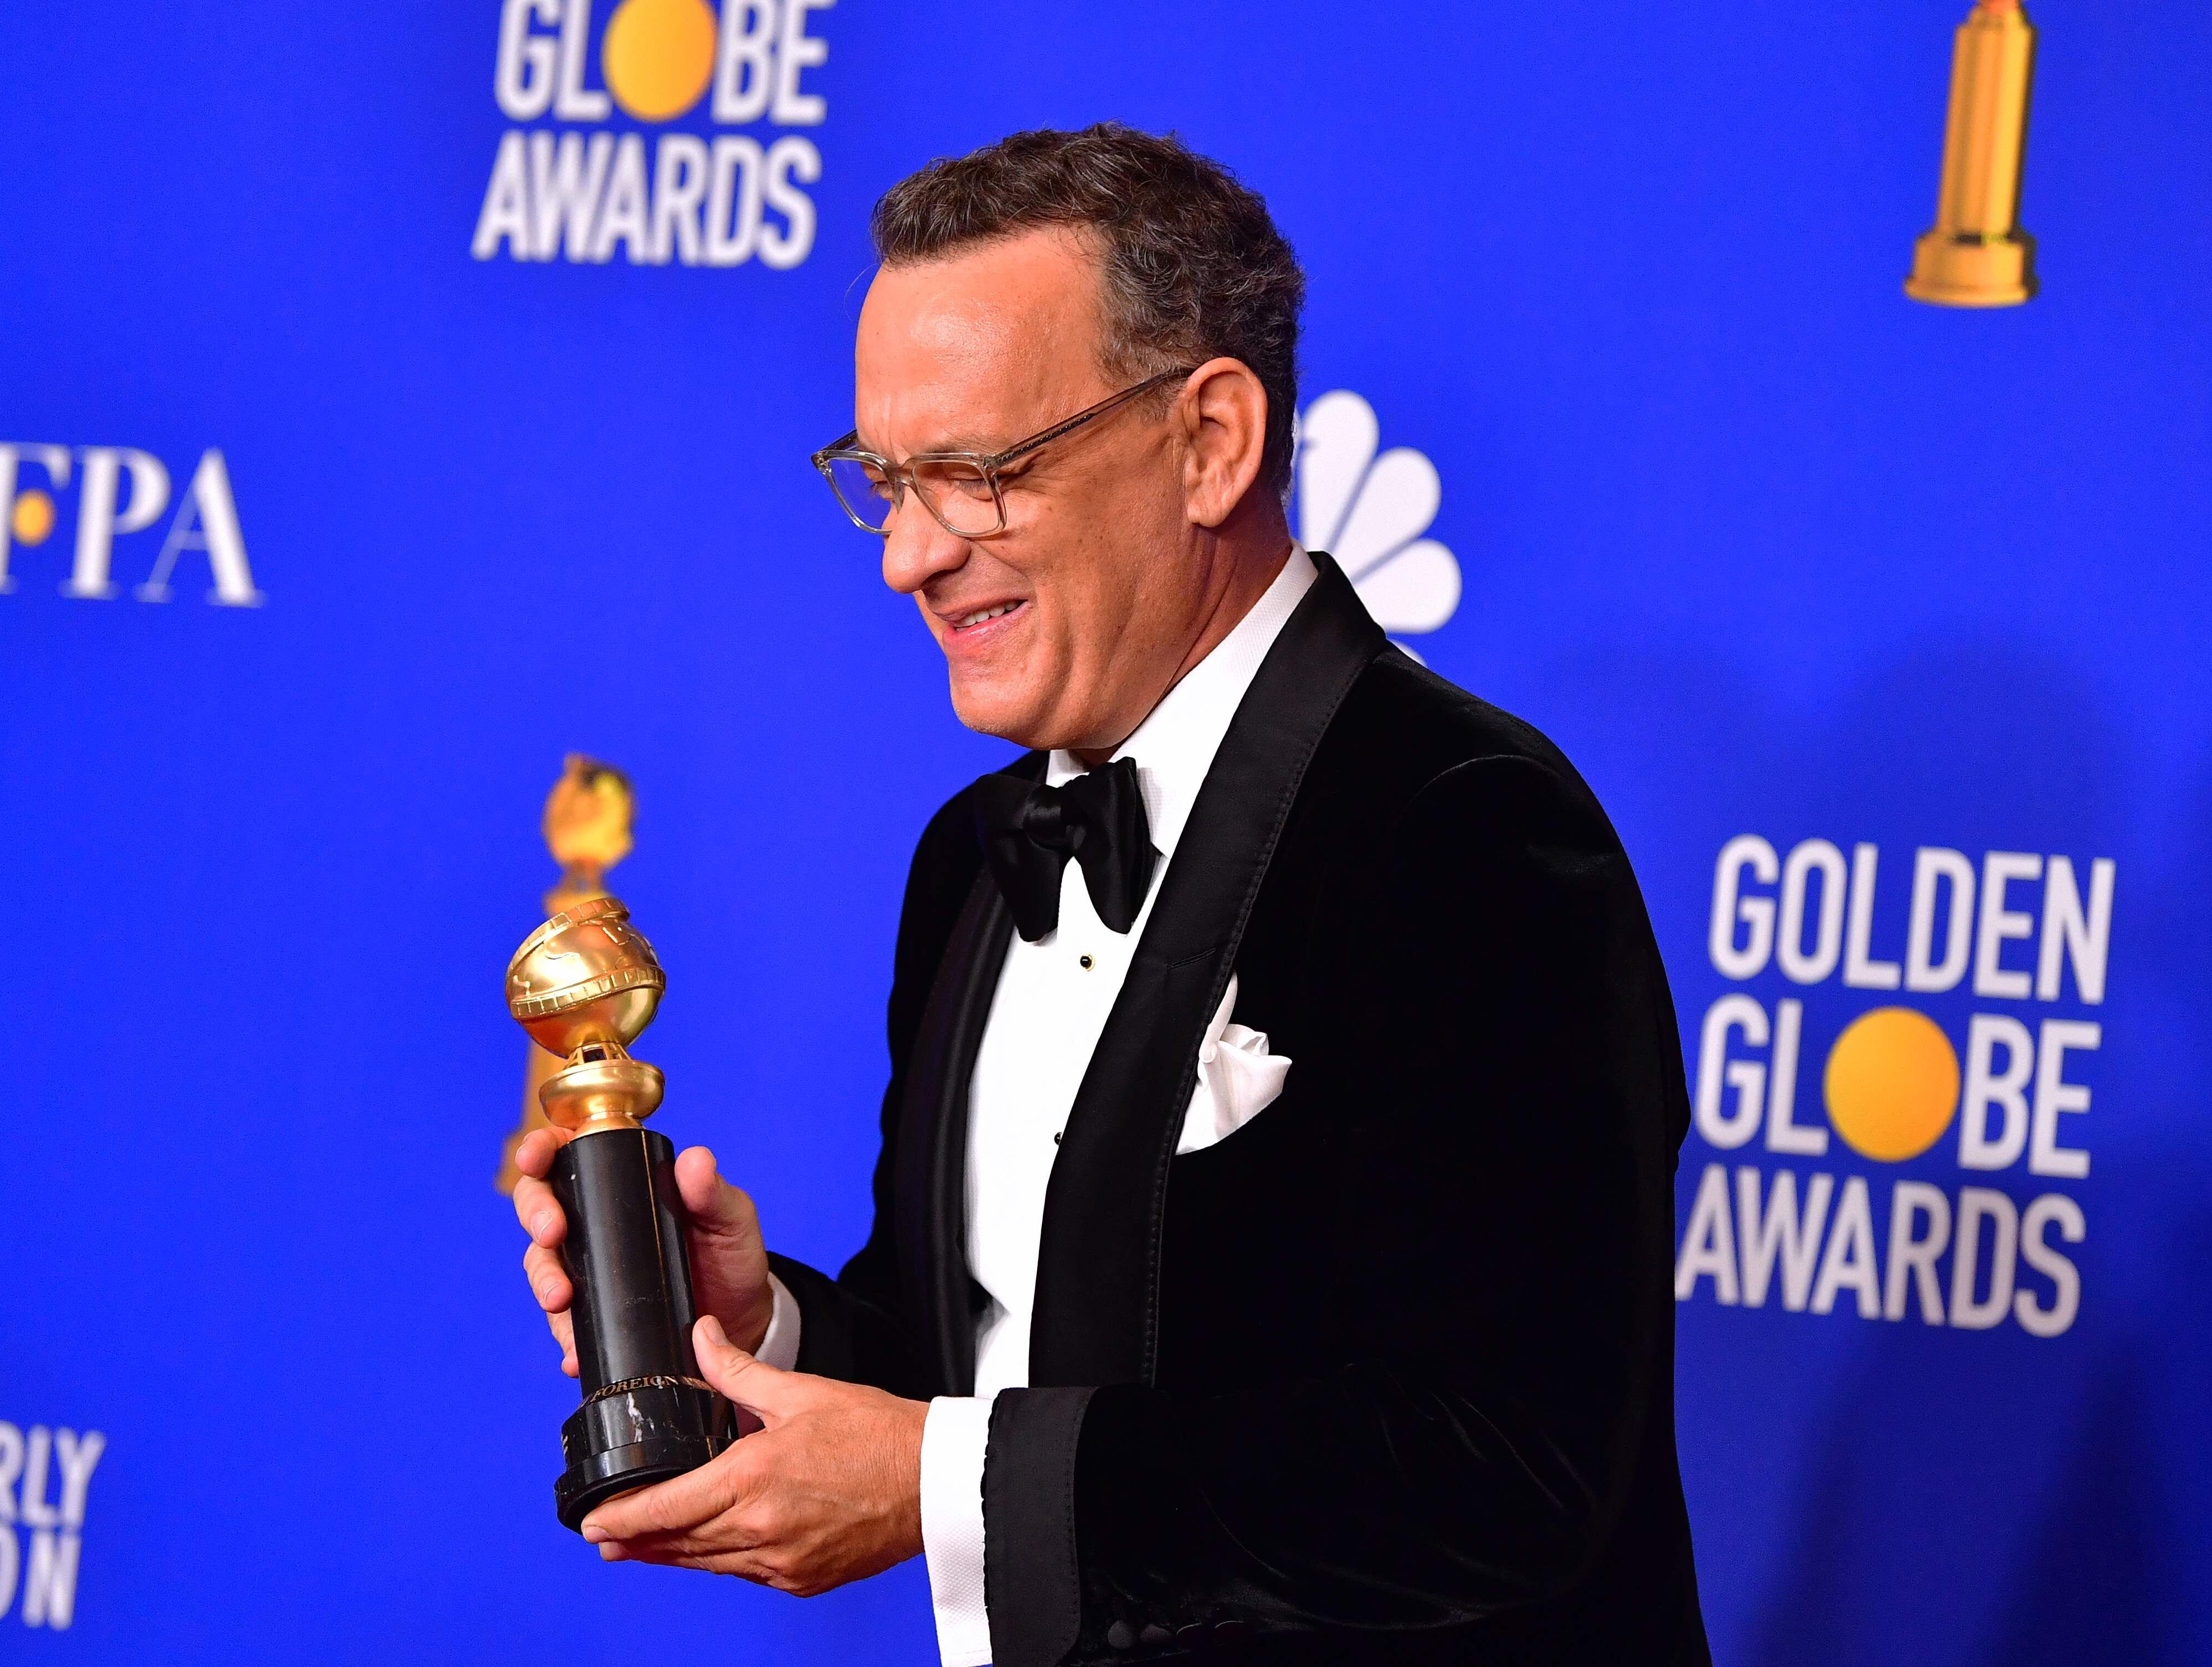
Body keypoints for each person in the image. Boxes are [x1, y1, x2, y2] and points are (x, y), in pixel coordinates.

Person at [510, 122, 1709, 1667]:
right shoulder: (970, 854)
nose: (908, 557)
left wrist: (938, 1485)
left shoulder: (1465, 827)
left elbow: (1506, 1469)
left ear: (1210, 441)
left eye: (976, 474)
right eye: (885, 480)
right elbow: (1005, 1361)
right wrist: (767, 1330)